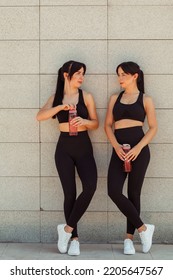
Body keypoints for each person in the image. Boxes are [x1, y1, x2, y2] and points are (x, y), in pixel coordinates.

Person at [36, 60, 98, 256]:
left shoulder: (86, 96)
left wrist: (85, 121)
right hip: (63, 148)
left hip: (83, 145)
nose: (81, 77)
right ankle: (75, 240)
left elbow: (96, 123)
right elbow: (40, 116)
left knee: (90, 187)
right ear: (65, 75)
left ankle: (67, 229)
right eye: (78, 73)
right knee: (69, 194)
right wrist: (60, 108)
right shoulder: (56, 97)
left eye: (83, 73)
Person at [104, 61, 157, 255]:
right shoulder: (114, 99)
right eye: (118, 74)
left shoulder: (146, 99)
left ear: (135, 76)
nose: (120, 78)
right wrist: (116, 146)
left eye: (123, 74)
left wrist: (138, 148)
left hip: (139, 151)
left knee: (134, 194)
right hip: (119, 151)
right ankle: (144, 228)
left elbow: (153, 127)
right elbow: (108, 126)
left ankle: (129, 239)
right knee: (114, 191)